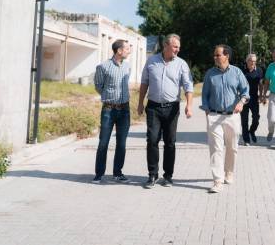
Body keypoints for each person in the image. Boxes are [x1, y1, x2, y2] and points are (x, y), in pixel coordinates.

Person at [138, 34, 194, 189]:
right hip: (153, 107)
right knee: (152, 140)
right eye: (175, 47)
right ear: (166, 45)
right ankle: (152, 175)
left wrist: (189, 105)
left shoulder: (181, 64)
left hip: (172, 108)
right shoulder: (151, 61)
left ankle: (168, 176)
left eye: (179, 47)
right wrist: (140, 103)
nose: (178, 50)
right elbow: (144, 83)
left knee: (170, 142)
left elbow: (188, 86)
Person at [201, 45, 249, 193]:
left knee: (232, 148)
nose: (215, 57)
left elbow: (245, 91)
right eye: (214, 55)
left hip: (232, 116)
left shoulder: (237, 72)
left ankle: (229, 172)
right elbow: (205, 94)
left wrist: (241, 103)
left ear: (226, 56)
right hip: (214, 116)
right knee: (216, 148)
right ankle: (217, 180)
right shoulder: (210, 74)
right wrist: (207, 110)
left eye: (218, 55)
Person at [92, 39, 132, 184]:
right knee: (103, 142)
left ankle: (117, 173)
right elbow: (98, 86)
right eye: (127, 48)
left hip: (125, 110)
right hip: (109, 109)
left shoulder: (128, 67)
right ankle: (99, 174)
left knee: (121, 143)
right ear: (119, 51)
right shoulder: (103, 67)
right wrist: (109, 97)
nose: (129, 51)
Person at [240, 53, 264, 145]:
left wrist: (261, 95)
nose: (253, 63)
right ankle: (246, 139)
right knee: (244, 120)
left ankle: (252, 131)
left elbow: (261, 84)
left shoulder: (259, 70)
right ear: (247, 61)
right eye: (251, 61)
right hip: (243, 98)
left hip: (254, 98)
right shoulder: (242, 70)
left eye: (255, 61)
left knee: (256, 118)